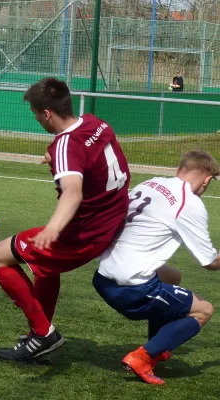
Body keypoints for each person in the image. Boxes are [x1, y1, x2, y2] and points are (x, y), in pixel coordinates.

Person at [0, 77, 130, 362]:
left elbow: (73, 193)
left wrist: (52, 228)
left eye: (35, 115)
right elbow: (96, 165)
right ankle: (37, 335)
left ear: (47, 113)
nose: (37, 120)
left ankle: (43, 334)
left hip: (83, 234)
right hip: (114, 218)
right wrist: (60, 163)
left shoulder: (64, 144)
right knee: (44, 267)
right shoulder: (97, 124)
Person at [93, 150, 220, 385]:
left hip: (103, 276)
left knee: (173, 276)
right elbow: (209, 261)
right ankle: (142, 357)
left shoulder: (152, 182)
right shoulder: (189, 203)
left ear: (180, 169)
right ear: (207, 179)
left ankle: (157, 344)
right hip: (130, 288)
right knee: (204, 310)